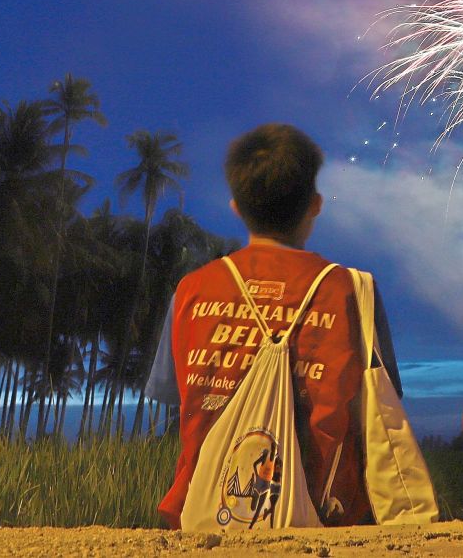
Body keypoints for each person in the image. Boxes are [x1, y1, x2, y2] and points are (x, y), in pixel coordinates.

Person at [145, 123, 402, 528]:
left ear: (236, 207)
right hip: (326, 517)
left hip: (200, 512)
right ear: (315, 204)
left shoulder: (191, 291)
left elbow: (176, 395)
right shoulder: (351, 291)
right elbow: (384, 404)